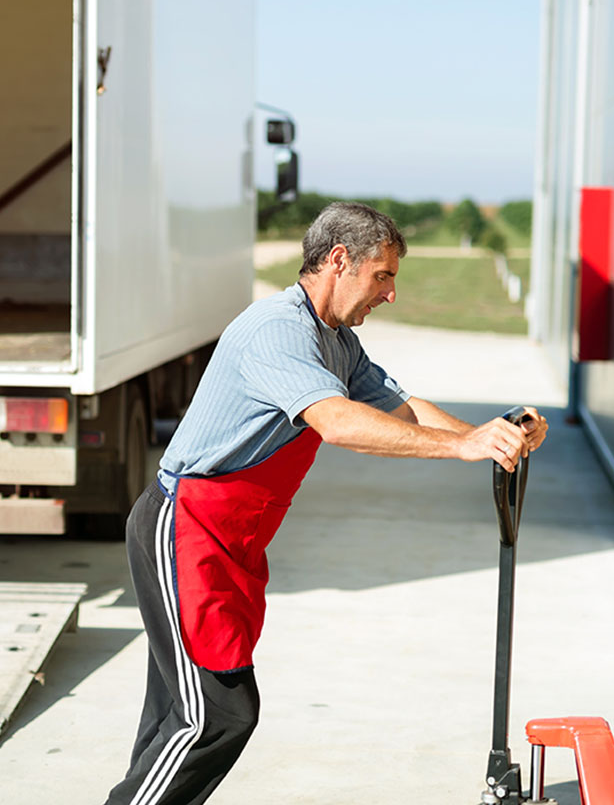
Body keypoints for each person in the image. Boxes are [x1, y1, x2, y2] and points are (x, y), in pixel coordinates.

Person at [103, 201, 548, 805]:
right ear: (340, 260)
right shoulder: (277, 331)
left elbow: (402, 408)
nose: (390, 294)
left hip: (229, 538)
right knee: (216, 715)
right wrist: (463, 447)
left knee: (178, 717)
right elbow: (337, 423)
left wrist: (490, 436)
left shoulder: (335, 340)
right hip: (184, 531)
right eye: (383, 275)